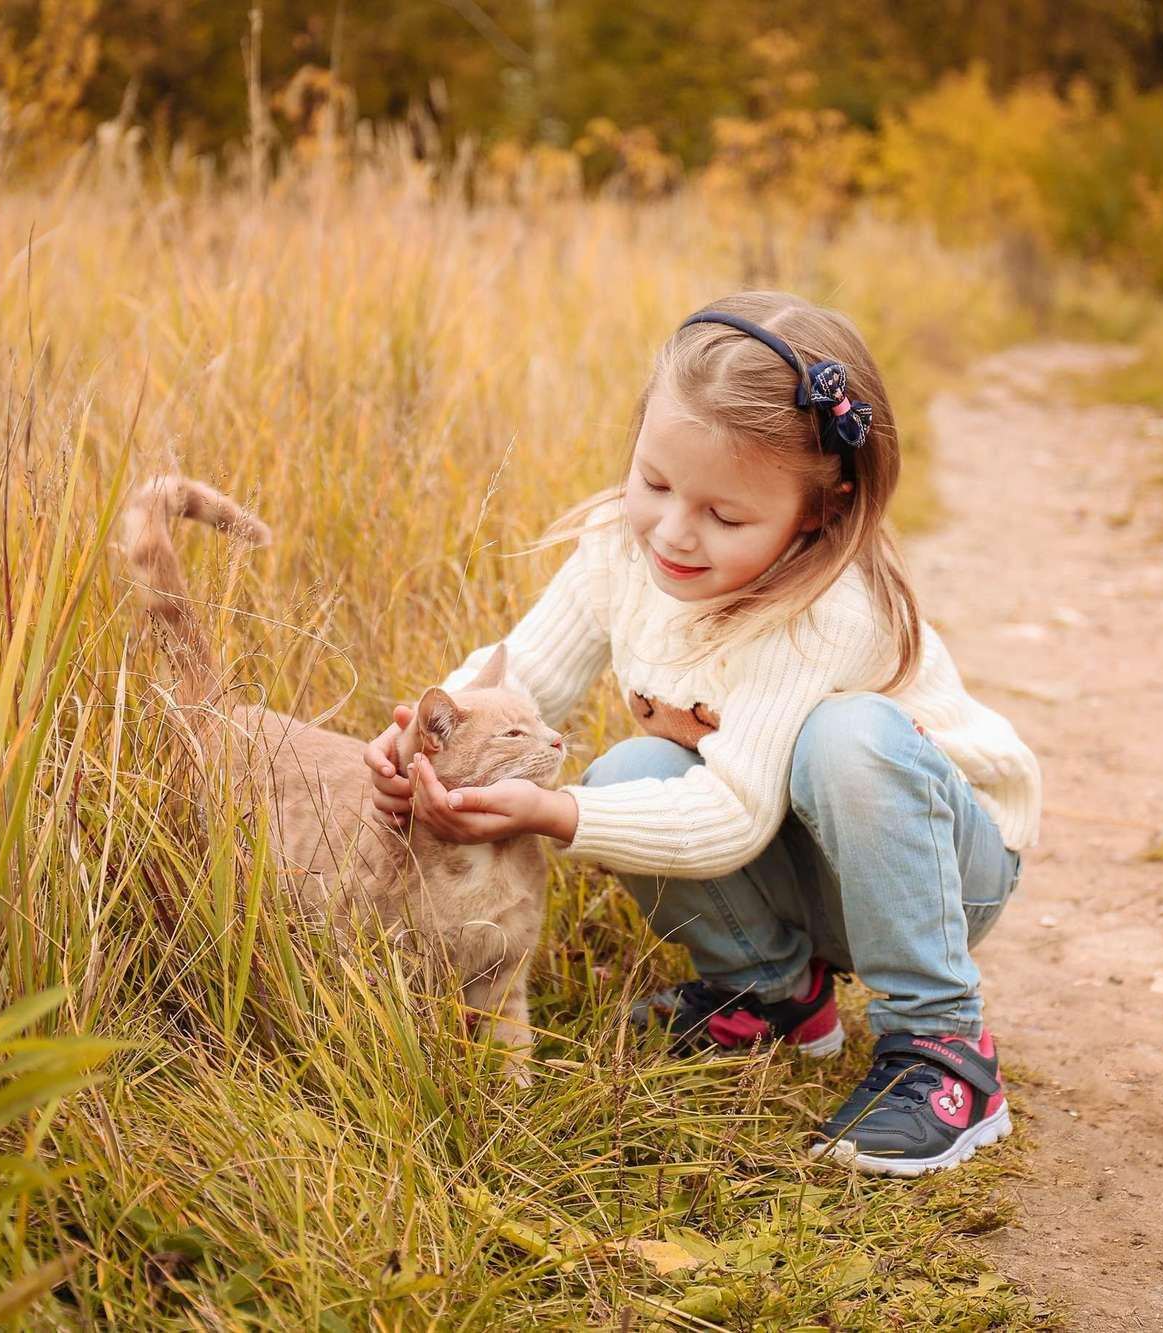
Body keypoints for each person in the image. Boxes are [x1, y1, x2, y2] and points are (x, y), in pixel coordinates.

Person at [362, 290, 1041, 1177]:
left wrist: (557, 814)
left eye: (726, 517)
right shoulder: (620, 548)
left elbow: (733, 814)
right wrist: (415, 746)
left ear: (819, 511)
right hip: (803, 859)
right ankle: (774, 993)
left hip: (943, 868)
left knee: (847, 736)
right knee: (630, 771)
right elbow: (520, 676)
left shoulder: (828, 608)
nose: (675, 532)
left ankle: (941, 1045)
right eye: (654, 482)